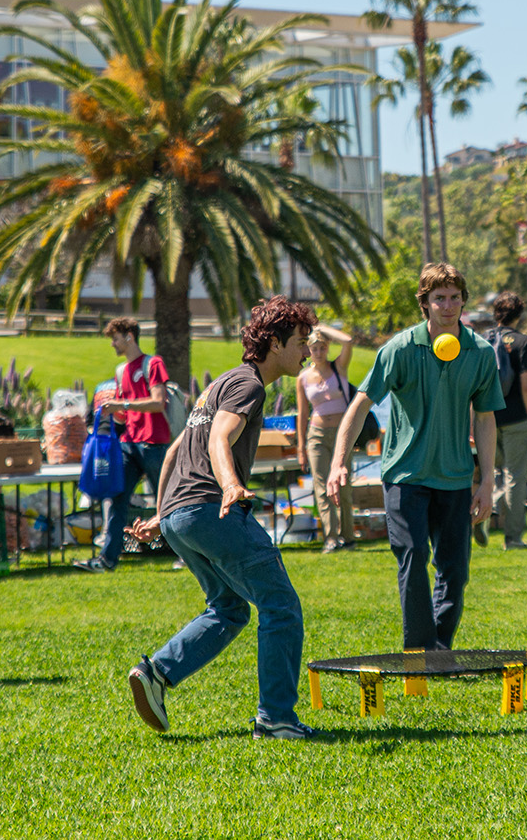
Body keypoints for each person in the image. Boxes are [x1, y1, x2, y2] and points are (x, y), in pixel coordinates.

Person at [122, 298, 321, 739]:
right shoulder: (249, 385)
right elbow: (218, 437)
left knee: (230, 608)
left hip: (182, 514)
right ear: (274, 342)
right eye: (301, 342)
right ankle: (277, 720)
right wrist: (230, 484)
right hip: (212, 508)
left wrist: (163, 513)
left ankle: (156, 673)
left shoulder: (219, 385)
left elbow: (177, 450)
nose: (307, 351)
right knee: (281, 606)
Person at [331, 264, 504, 651]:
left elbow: (487, 417)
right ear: (424, 303)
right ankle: (419, 653)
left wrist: (487, 480)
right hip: (405, 476)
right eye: (439, 298)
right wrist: (338, 460)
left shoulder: (479, 353)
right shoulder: (400, 349)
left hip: (456, 478)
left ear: (463, 301)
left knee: (455, 573)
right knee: (412, 556)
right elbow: (360, 405)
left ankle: (438, 647)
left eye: (454, 297)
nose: (447, 306)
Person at [80, 317, 174, 573]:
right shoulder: (121, 371)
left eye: (115, 338)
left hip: (154, 443)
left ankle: (189, 555)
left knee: (167, 502)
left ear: (130, 337)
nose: (113, 344)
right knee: (116, 499)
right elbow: (126, 412)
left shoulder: (153, 364)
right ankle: (106, 560)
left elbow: (157, 402)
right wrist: (111, 413)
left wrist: (121, 406)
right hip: (128, 444)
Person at [483, 292, 527, 550]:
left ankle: (481, 517)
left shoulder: (483, 340)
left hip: (488, 418)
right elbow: (526, 385)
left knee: (493, 474)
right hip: (517, 417)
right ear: (519, 315)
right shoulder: (523, 342)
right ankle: (513, 537)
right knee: (515, 478)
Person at [294, 323, 358, 553]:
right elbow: (303, 415)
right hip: (317, 435)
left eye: (322, 347)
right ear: (308, 350)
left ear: (327, 347)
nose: (318, 352)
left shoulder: (338, 368)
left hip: (342, 434)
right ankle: (330, 538)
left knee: (344, 487)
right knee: (322, 488)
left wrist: (322, 328)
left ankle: (348, 537)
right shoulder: (303, 378)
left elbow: (348, 341)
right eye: (314, 348)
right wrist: (301, 446)